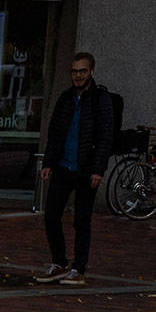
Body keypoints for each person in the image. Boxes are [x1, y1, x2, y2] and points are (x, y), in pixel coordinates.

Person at [36, 53, 116, 288]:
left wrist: (98, 169)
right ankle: (59, 263)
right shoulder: (66, 98)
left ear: (91, 71)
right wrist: (48, 162)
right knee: (51, 215)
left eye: (82, 71)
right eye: (74, 71)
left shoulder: (100, 99)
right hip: (62, 165)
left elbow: (105, 136)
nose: (77, 75)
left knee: (82, 220)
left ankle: (79, 268)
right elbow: (55, 133)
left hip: (85, 169)